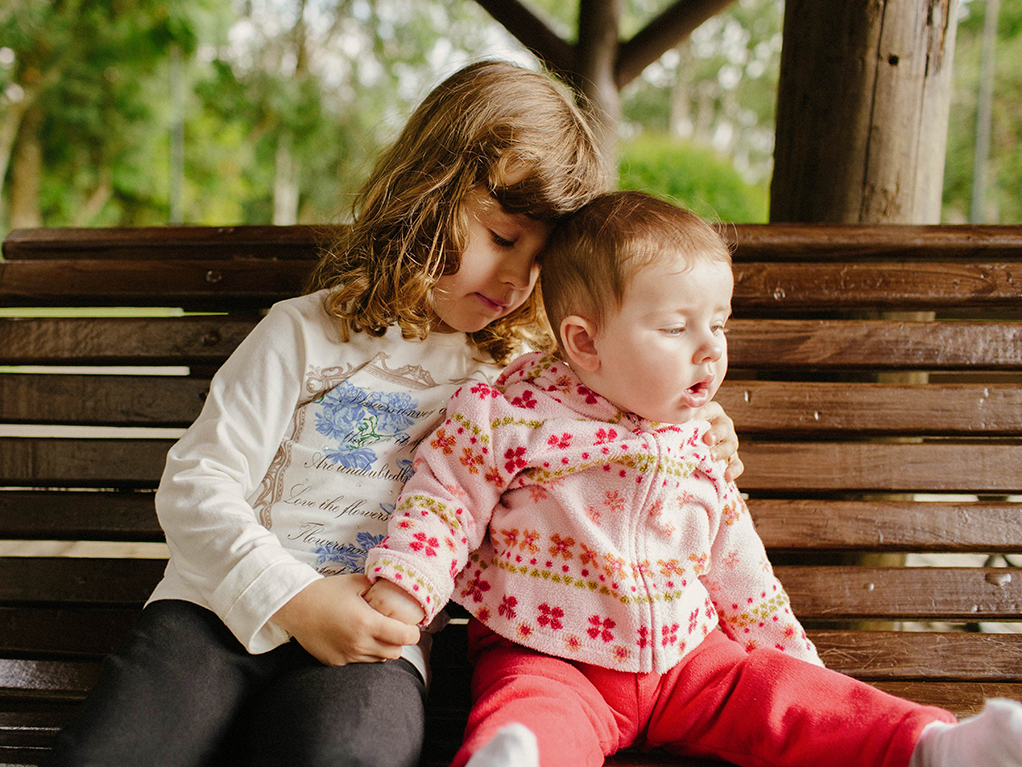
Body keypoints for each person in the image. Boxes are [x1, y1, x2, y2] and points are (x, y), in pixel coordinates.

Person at [42, 63, 744, 767]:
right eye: (503, 238)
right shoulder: (303, 333)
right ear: (428, 195)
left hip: (378, 641)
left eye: (540, 261)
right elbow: (197, 484)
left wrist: (691, 422)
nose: (517, 279)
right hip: (213, 611)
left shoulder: (518, 384)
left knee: (350, 755)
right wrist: (297, 600)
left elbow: (609, 435)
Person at [363, 190, 1022, 767]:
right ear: (584, 343)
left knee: (784, 698)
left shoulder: (697, 438)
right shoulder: (509, 411)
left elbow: (737, 558)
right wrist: (406, 585)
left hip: (690, 660)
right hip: (553, 652)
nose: (709, 347)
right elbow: (446, 497)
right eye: (676, 328)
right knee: (531, 713)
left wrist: (789, 658)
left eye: (718, 323)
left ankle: (934, 746)